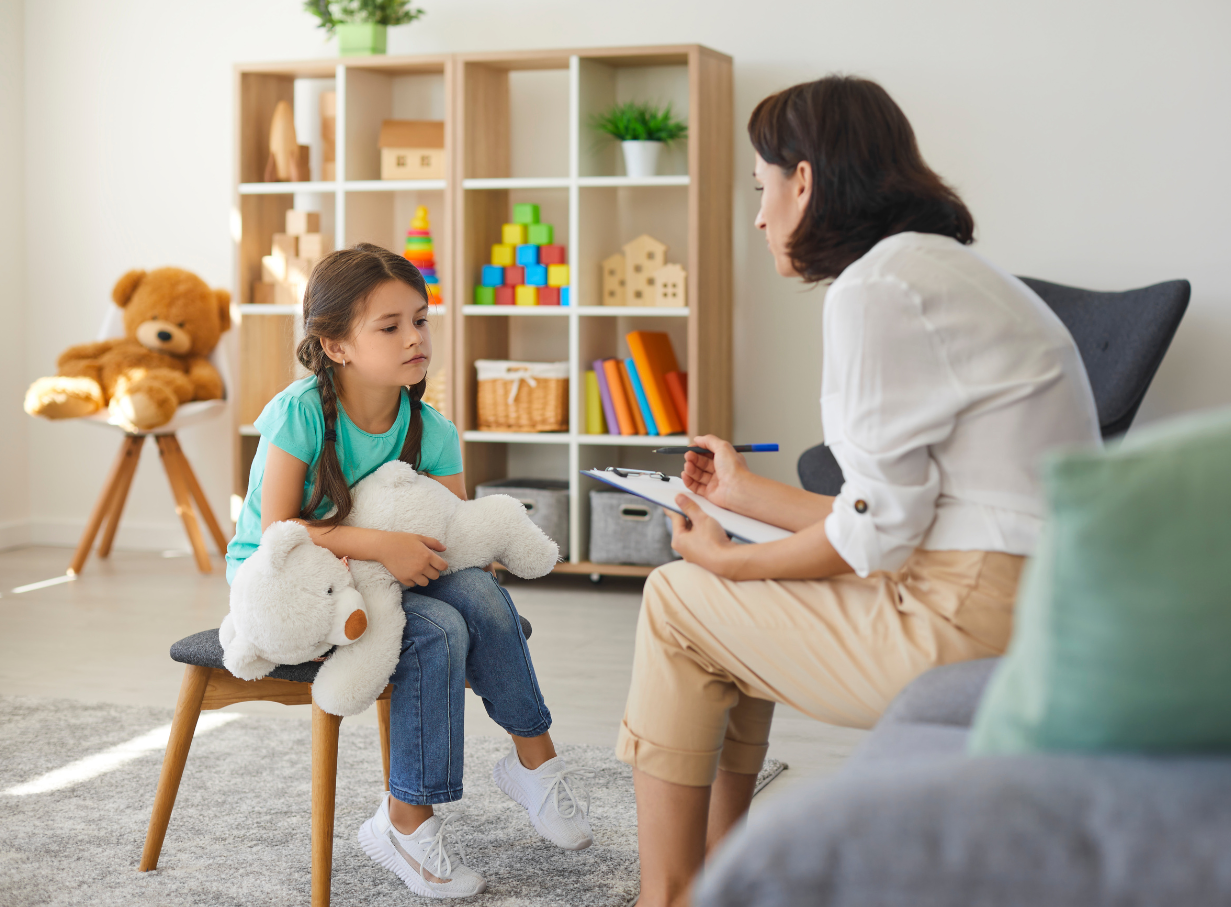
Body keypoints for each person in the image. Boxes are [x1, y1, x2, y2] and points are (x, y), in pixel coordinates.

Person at [615, 75, 1102, 906]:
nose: (761, 215)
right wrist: (746, 492)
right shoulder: (942, 271)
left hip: (965, 620)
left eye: (763, 188)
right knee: (713, 611)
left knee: (676, 598)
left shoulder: (876, 289)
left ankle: (667, 894)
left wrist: (731, 564)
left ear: (805, 180)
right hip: (1031, 601)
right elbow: (900, 515)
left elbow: (874, 540)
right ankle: (715, 878)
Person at [224, 244, 592, 899]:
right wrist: (381, 544)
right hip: (294, 584)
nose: (415, 337)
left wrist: (399, 551)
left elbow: (452, 541)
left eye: (420, 320)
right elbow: (278, 531)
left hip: (386, 578)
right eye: (389, 326)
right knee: (439, 630)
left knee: (475, 590)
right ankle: (405, 821)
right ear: (335, 345)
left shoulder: (433, 428)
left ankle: (535, 761)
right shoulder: (300, 412)